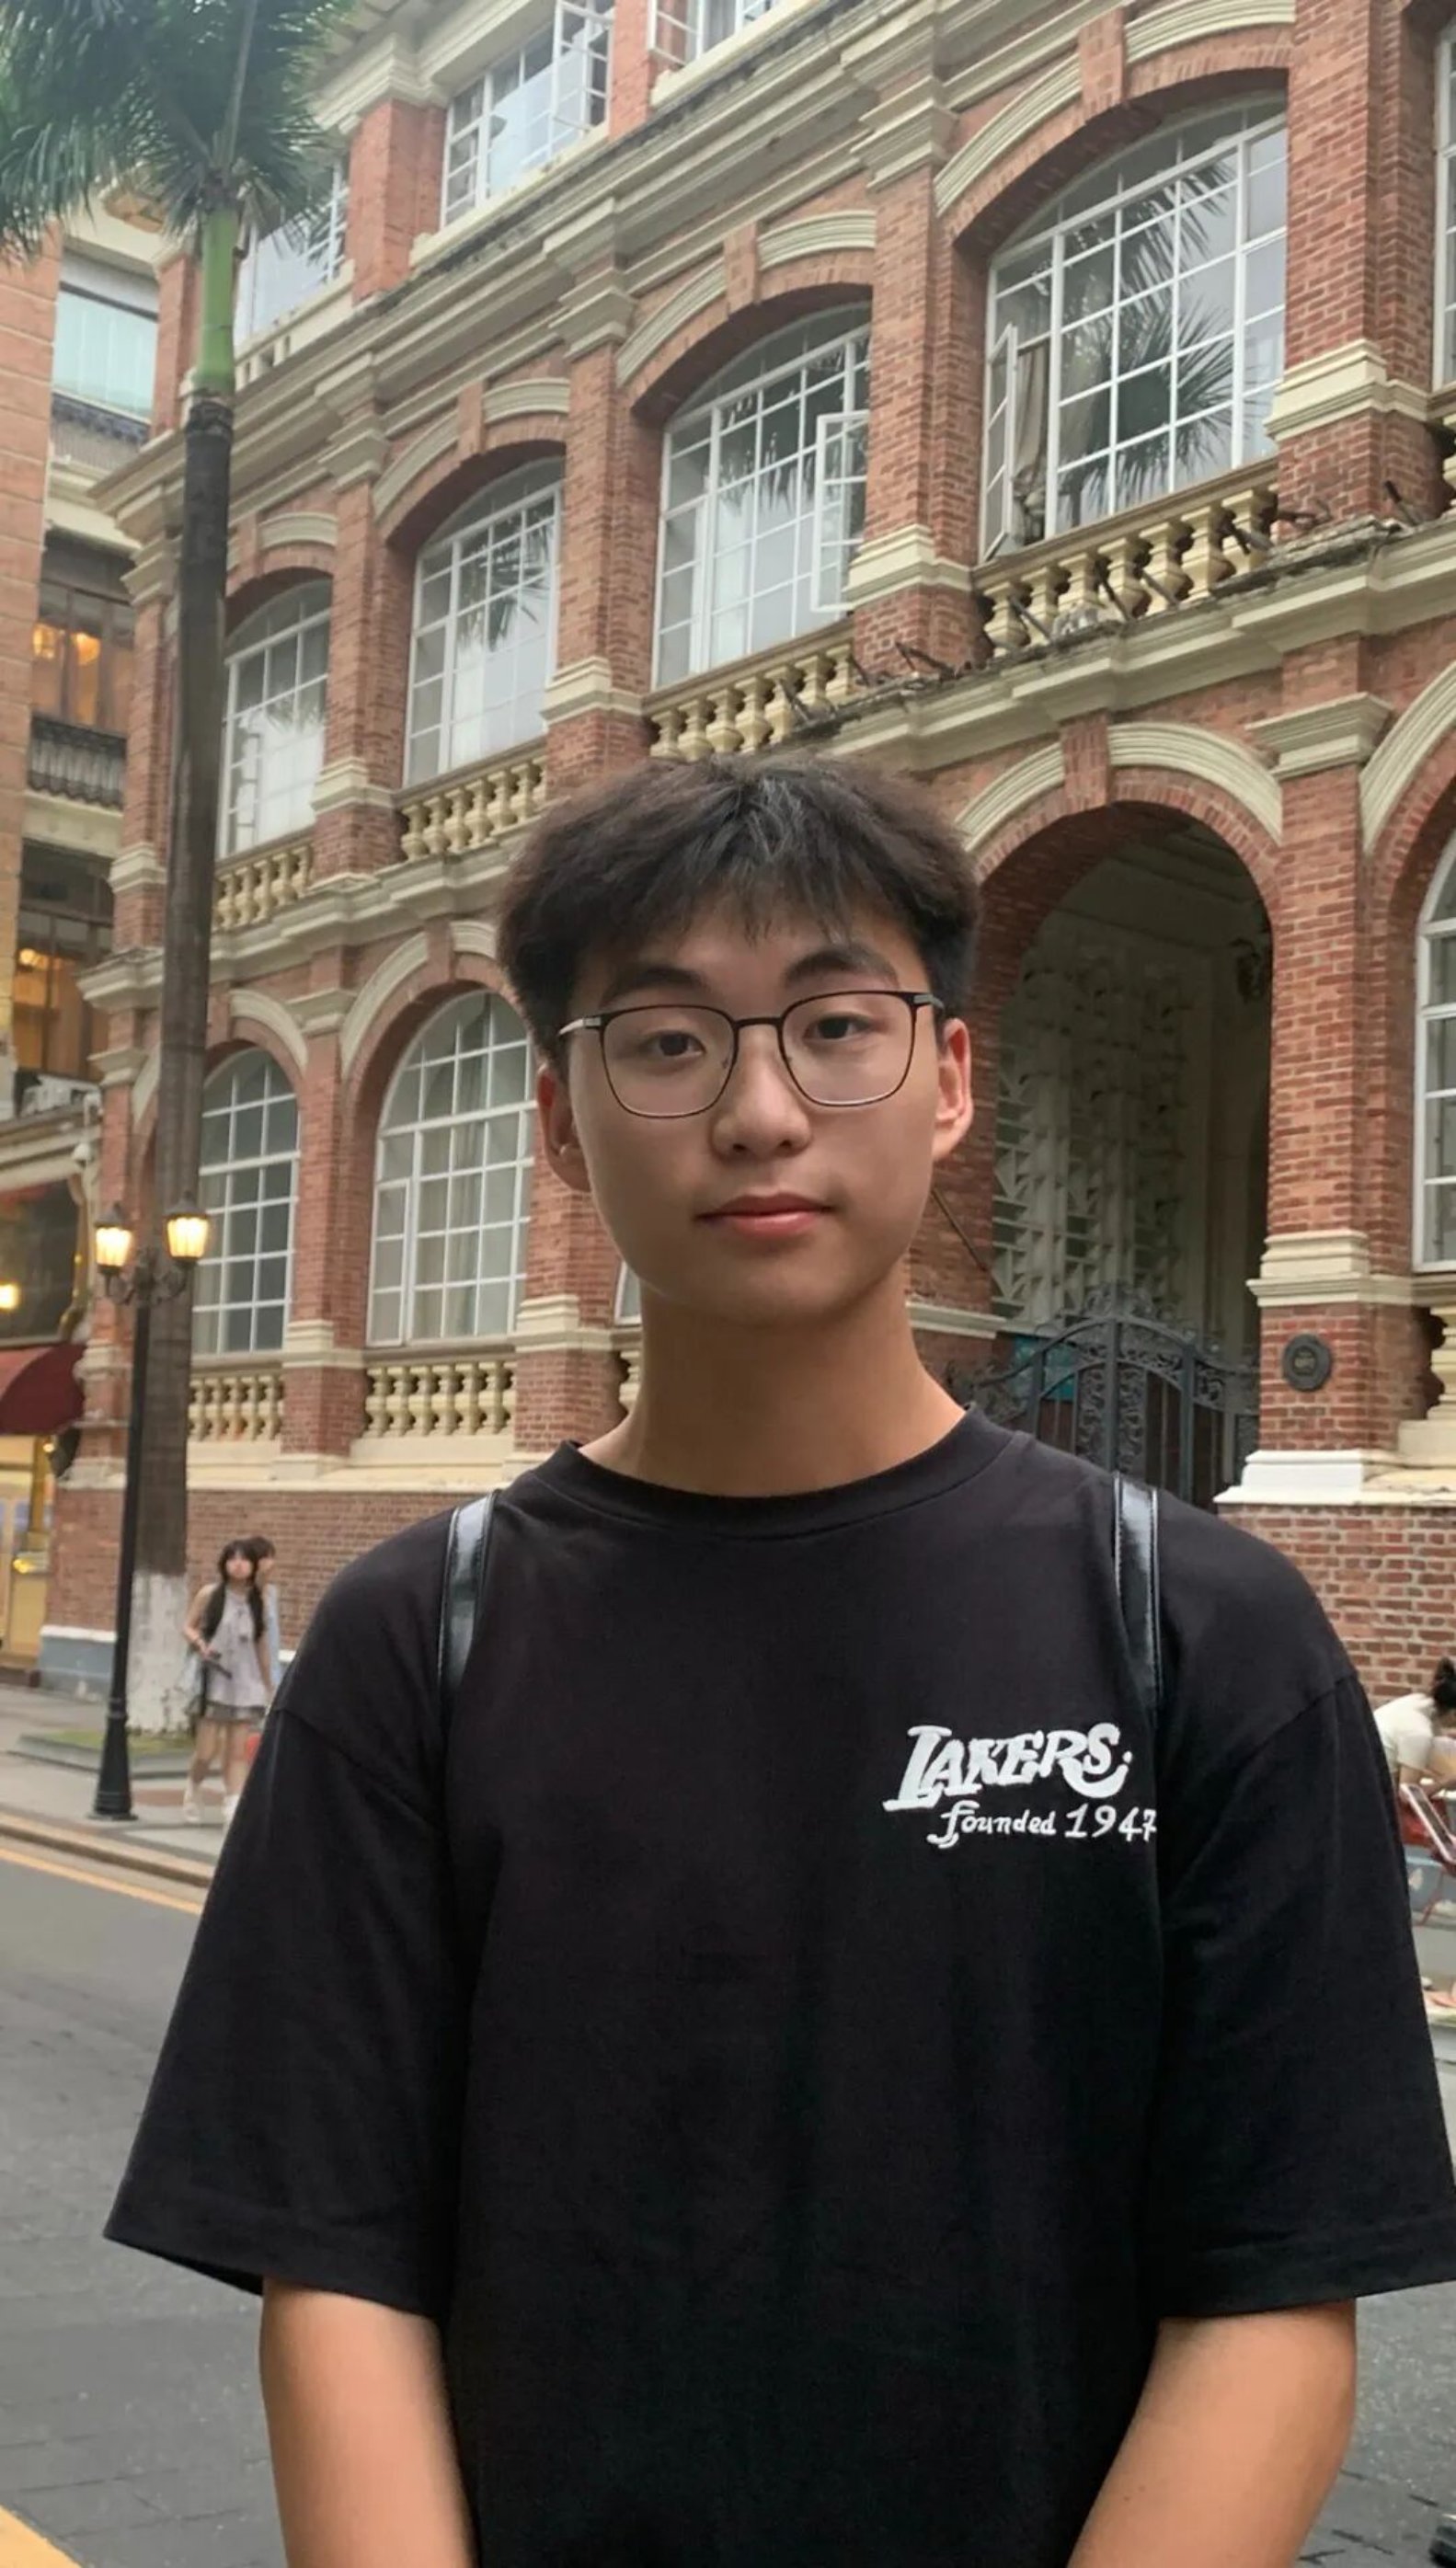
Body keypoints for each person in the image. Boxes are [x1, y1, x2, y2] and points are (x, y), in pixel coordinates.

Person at [109, 757, 1456, 2568]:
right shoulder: (416, 1637)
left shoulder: (1196, 1630)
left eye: (833, 1027)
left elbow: (1270, 2287)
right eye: (664, 1042)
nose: (757, 1111)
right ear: (559, 1119)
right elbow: (337, 2264)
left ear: (948, 1075)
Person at [180, 1541, 272, 1829]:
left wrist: (268, 1685)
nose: (239, 1564)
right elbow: (187, 1626)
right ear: (224, 1564)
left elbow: (261, 1645)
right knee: (206, 1752)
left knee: (237, 1751)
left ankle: (232, 1806)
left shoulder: (258, 1601)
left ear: (253, 1566)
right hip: (214, 1679)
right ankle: (193, 1787)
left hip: (245, 1682)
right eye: (233, 1559)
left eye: (245, 1559)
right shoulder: (210, 1594)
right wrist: (200, 1643)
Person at [1372, 1658, 1456, 1789]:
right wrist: (1444, 1783)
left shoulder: (1417, 1702)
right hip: (1369, 1787)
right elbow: (1408, 1794)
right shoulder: (1419, 1732)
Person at [246, 1533, 282, 1698]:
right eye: (265, 1558)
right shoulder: (243, 1595)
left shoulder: (272, 1593)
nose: (271, 1563)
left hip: (271, 1667)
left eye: (271, 1557)